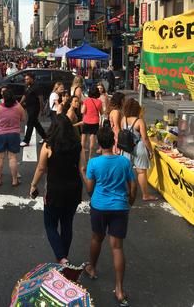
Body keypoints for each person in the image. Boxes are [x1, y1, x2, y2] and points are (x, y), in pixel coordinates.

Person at [81, 127, 137, 306]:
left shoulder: (94, 163)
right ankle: (119, 289)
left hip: (99, 206)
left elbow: (89, 189)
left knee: (97, 238)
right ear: (113, 142)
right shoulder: (124, 162)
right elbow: (133, 186)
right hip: (120, 207)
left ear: (98, 142)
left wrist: (83, 173)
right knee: (117, 247)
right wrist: (130, 201)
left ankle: (91, 268)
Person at [30, 114, 83, 266]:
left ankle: (61, 257)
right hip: (74, 189)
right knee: (67, 224)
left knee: (50, 224)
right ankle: (63, 257)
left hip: (54, 190)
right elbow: (82, 167)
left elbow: (41, 168)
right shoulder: (77, 145)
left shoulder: (48, 146)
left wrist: (33, 185)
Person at [121, 98, 157, 202]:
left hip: (126, 148)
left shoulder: (123, 119)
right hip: (139, 147)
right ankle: (145, 195)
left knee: (127, 171)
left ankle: (129, 191)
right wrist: (150, 150)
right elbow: (145, 138)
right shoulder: (139, 121)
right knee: (141, 172)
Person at [0, 89, 25, 186]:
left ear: (4, 98)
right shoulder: (18, 106)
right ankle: (14, 180)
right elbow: (23, 118)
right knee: (12, 158)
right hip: (14, 134)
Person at [20, 73, 46, 147]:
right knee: (36, 123)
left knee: (30, 123)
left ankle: (26, 141)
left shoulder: (36, 87)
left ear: (32, 79)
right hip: (28, 107)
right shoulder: (27, 86)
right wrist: (19, 104)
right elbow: (24, 95)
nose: (26, 80)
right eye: (25, 79)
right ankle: (45, 137)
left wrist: (41, 110)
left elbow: (40, 99)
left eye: (27, 79)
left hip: (35, 108)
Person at [81, 87, 103, 159]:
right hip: (95, 121)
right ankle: (90, 156)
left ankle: (82, 154)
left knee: (83, 138)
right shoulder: (99, 102)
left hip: (86, 121)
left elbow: (83, 111)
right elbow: (101, 112)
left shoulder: (86, 100)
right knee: (92, 138)